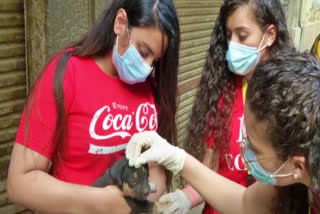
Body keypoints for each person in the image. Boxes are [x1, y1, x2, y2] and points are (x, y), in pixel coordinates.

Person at [7, 0, 180, 213]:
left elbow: (155, 168)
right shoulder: (66, 73)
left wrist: (142, 201)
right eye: (143, 52)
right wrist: (99, 201)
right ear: (120, 23)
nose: (146, 67)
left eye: (155, 60)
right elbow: (19, 183)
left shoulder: (149, 88)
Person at [126, 51, 320, 214]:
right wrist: (177, 158)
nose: (246, 153)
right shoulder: (293, 177)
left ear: (297, 167)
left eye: (257, 150)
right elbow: (244, 202)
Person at [160, 0, 292, 213]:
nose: (233, 46)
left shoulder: (290, 98)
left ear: (270, 35)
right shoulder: (223, 94)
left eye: (242, 36)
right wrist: (185, 197)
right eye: (229, 36)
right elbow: (209, 168)